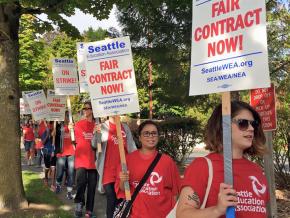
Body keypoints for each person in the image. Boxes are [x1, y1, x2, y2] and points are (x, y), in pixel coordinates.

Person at [176, 101, 269, 218]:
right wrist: (217, 210)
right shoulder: (202, 166)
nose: (251, 129)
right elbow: (183, 214)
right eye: (243, 123)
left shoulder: (256, 170)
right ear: (223, 126)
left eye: (253, 124)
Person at [116, 120, 181, 218]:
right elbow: (123, 189)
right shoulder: (128, 160)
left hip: (163, 214)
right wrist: (123, 180)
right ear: (139, 138)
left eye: (154, 133)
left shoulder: (167, 162)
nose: (151, 136)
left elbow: (175, 193)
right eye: (146, 133)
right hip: (136, 214)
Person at [93, 116, 137, 218]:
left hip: (123, 171)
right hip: (108, 171)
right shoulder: (103, 127)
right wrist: (96, 134)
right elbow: (95, 144)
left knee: (120, 200)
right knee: (111, 198)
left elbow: (132, 148)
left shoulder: (125, 128)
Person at [74, 101, 97, 218]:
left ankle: (89, 210)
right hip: (81, 159)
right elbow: (78, 140)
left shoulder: (97, 126)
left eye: (88, 108)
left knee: (92, 186)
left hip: (93, 161)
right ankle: (79, 203)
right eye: (84, 108)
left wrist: (98, 132)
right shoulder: (78, 124)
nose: (85, 110)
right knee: (81, 183)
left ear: (93, 110)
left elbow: (98, 143)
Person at [54, 112, 75, 200]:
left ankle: (69, 192)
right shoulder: (59, 127)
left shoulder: (74, 127)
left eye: (68, 116)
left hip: (72, 153)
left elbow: (76, 139)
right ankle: (58, 185)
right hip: (61, 153)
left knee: (71, 173)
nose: (66, 118)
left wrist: (72, 130)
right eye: (65, 116)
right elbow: (55, 137)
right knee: (60, 172)